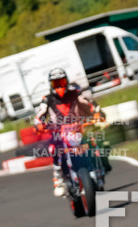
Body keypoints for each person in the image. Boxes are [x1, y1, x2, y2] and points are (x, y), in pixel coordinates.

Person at [33, 68, 109, 196]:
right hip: (59, 131)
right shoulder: (48, 99)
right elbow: (40, 114)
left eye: (62, 82)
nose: (60, 86)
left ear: (67, 81)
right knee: (53, 149)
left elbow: (89, 103)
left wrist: (97, 113)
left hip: (78, 128)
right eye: (56, 83)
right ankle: (58, 178)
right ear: (51, 84)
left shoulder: (75, 93)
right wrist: (39, 124)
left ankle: (98, 170)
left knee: (93, 142)